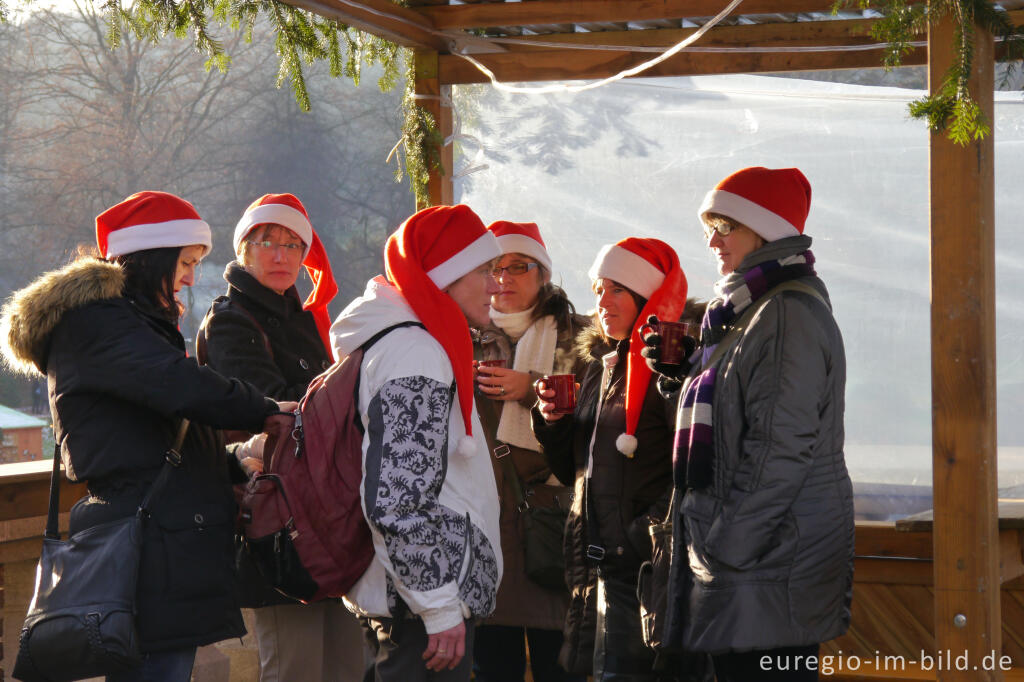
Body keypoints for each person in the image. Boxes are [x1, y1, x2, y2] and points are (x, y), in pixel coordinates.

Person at [0, 190, 290, 682]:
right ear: (154, 254)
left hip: (160, 534)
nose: (191, 277)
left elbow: (156, 438)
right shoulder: (98, 322)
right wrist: (263, 409)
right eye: (185, 261)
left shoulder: (124, 324)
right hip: (145, 539)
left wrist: (234, 459)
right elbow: (179, 387)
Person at [652, 167, 853, 681]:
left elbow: (780, 449)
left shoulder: (785, 313)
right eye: (709, 228)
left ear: (766, 231)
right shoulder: (743, 311)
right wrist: (679, 377)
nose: (712, 241)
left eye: (726, 226)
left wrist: (725, 549)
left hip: (764, 565)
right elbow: (731, 422)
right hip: (753, 565)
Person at [329, 204, 504, 682]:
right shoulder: (415, 354)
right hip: (419, 613)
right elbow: (397, 500)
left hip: (410, 606)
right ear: (443, 276)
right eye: (484, 271)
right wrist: (440, 608)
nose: (496, 285)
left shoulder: (407, 341)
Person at [197, 193, 368, 682]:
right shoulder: (231, 318)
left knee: (346, 664)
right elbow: (268, 409)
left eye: (294, 245)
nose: (281, 255)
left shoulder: (305, 316)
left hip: (330, 509)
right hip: (278, 511)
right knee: (294, 666)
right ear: (244, 250)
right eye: (267, 242)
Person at [532, 238, 691, 682]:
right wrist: (553, 421)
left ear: (647, 297)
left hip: (645, 569)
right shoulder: (601, 368)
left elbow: (694, 467)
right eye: (598, 289)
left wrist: (641, 533)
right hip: (597, 565)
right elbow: (572, 471)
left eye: (616, 289)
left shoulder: (674, 369)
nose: (602, 301)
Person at [470, 221, 588, 682]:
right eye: (492, 268)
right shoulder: (465, 335)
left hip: (554, 527)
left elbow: (603, 422)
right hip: (488, 528)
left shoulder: (578, 338)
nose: (503, 278)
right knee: (492, 664)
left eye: (517, 266)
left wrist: (533, 390)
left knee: (558, 663)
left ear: (543, 274)